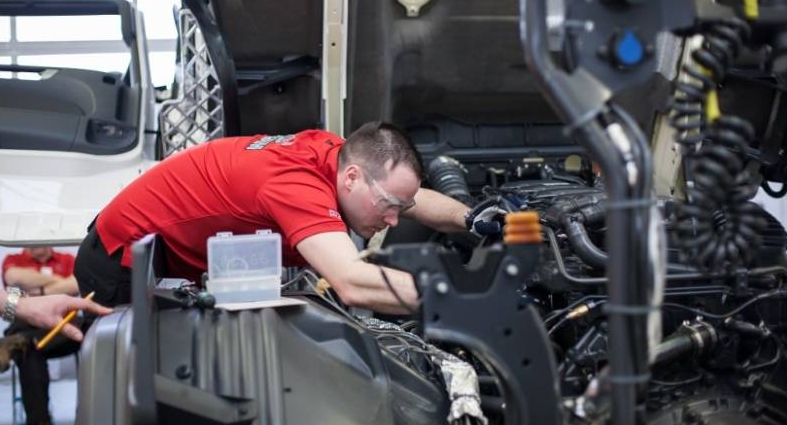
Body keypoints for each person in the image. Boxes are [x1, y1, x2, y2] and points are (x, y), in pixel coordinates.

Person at [74, 122, 500, 313]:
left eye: (398, 210)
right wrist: (462, 295)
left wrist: (469, 218)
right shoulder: (297, 187)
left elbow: (408, 197)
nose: (393, 221)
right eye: (388, 206)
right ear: (352, 178)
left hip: (159, 253)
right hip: (120, 262)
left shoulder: (336, 154)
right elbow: (351, 282)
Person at [0, 247, 95, 425]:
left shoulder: (68, 259)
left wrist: (34, 293)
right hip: (24, 324)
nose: (36, 247)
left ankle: (16, 343)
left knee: (77, 328)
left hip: (62, 328)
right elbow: (13, 278)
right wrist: (56, 287)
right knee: (30, 352)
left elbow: (75, 284)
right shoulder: (13, 260)